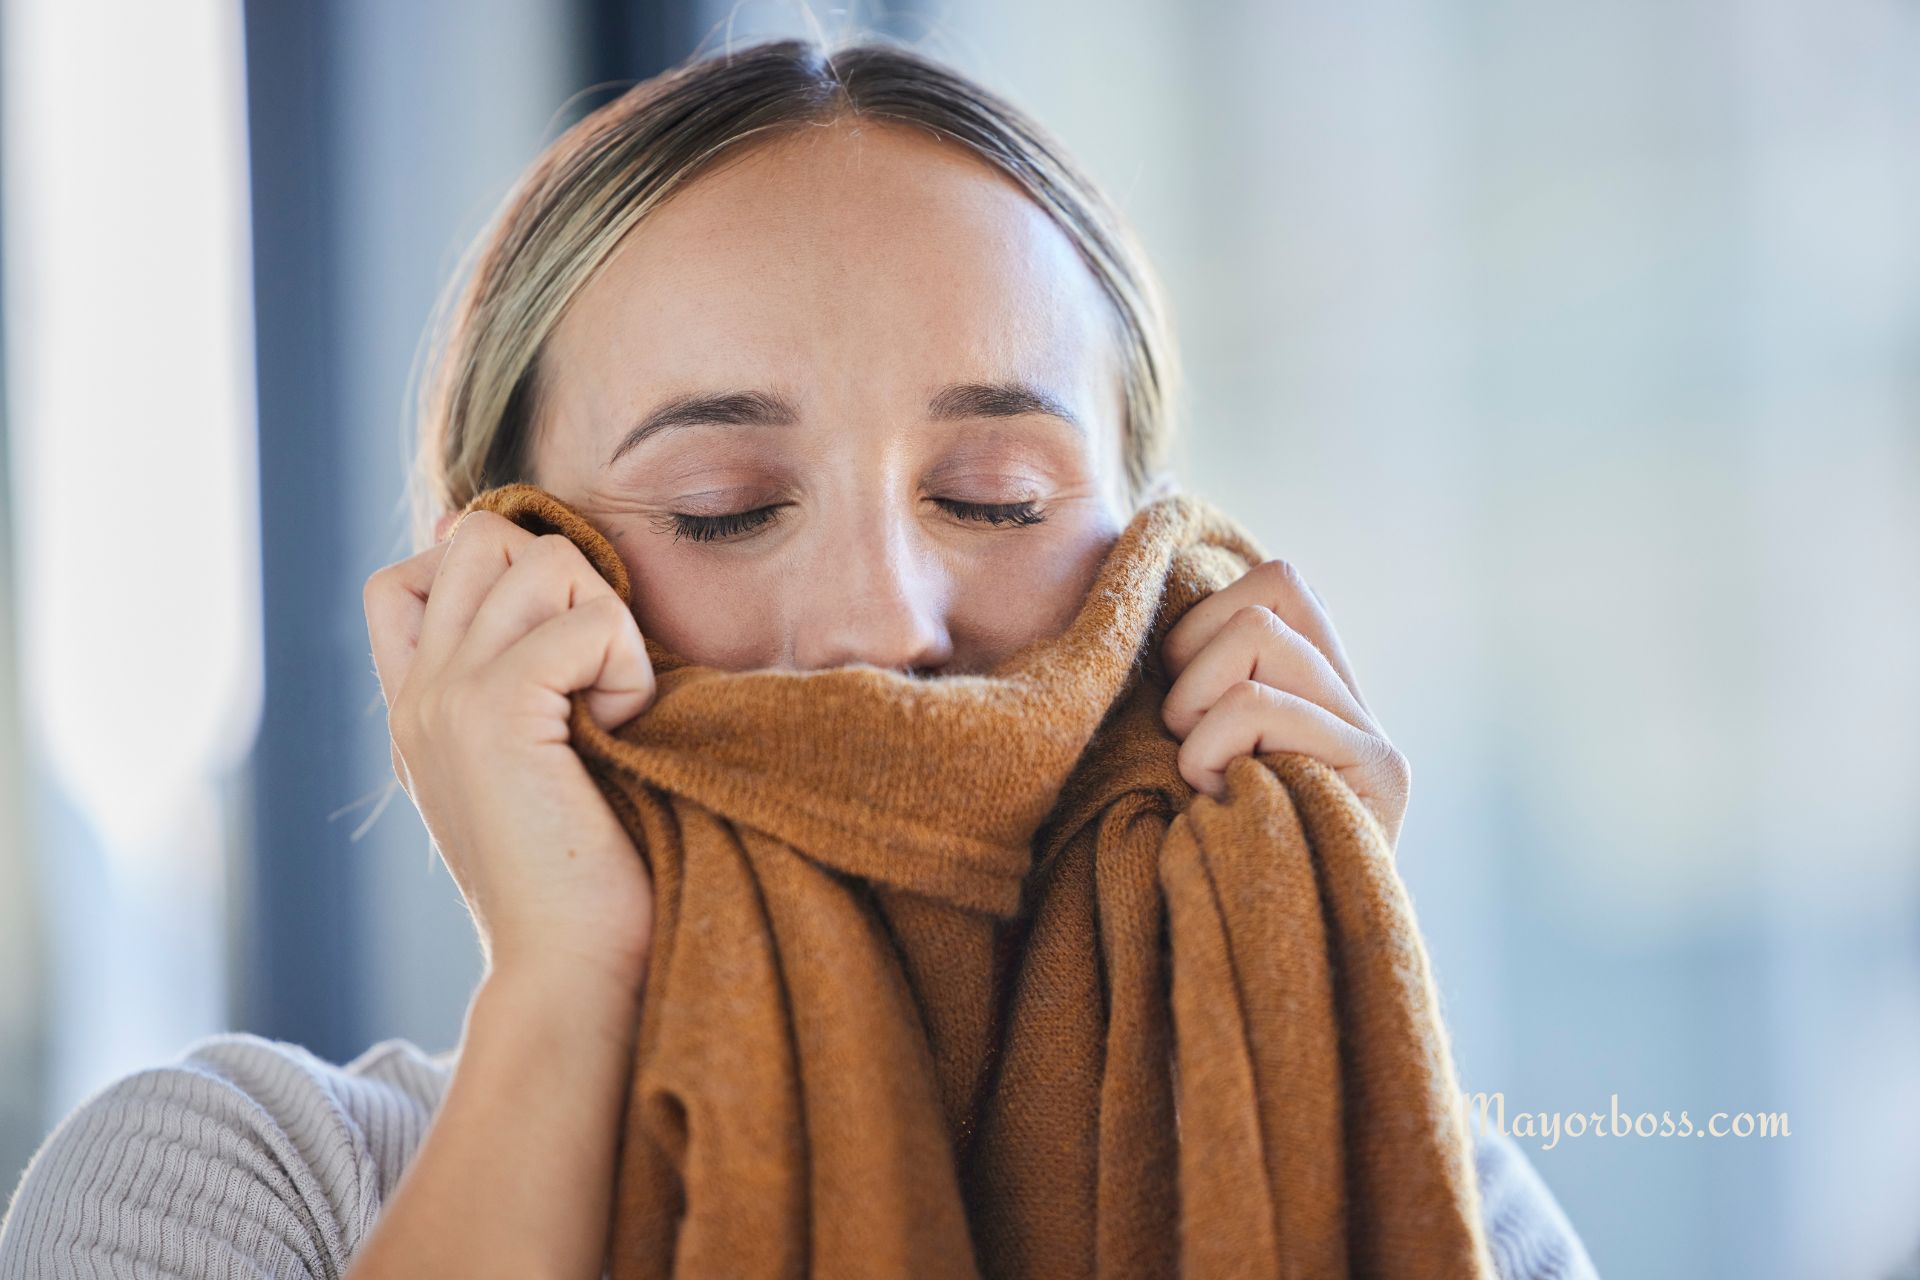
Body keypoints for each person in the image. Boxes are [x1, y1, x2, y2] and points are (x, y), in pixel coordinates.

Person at [0, 35, 1597, 1279]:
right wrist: (565, 987)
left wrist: (1305, 977)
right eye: (724, 509)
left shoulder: (1445, 1200)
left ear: (1169, 583)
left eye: (995, 497)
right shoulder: (237, 1187)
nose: (878, 625)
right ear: (509, 585)